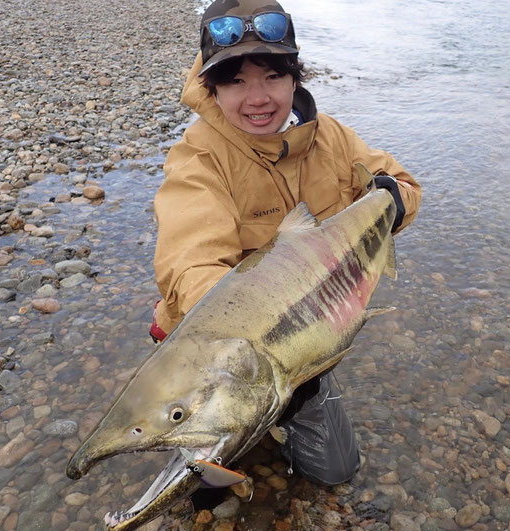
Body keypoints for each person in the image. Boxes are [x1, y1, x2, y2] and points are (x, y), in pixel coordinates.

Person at [150, 0, 421, 487]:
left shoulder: (332, 138)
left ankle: (280, 414)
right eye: (235, 81)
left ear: (295, 80)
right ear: (212, 90)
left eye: (272, 76)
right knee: (206, 487)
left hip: (305, 346)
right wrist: (240, 365)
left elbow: (401, 183)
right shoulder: (197, 160)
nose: (257, 98)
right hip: (219, 356)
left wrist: (392, 204)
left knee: (336, 472)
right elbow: (192, 262)